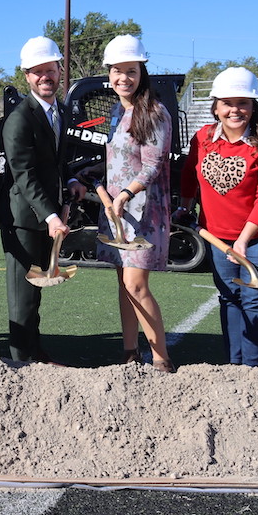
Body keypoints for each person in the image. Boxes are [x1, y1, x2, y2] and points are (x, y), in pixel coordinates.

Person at [175, 67, 258, 366]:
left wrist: (243, 240)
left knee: (254, 299)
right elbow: (190, 174)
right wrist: (186, 206)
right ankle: (234, 366)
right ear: (216, 107)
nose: (235, 110)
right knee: (229, 297)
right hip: (217, 233)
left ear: (254, 106)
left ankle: (252, 369)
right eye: (227, 103)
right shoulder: (203, 138)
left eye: (243, 102)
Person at [0, 36, 86, 363]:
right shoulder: (19, 118)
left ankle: (35, 355)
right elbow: (24, 174)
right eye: (38, 72)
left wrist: (73, 181)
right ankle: (20, 365)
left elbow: (59, 162)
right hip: (24, 220)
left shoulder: (61, 111)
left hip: (49, 218)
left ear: (59, 70)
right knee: (22, 299)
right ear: (27, 76)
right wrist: (51, 216)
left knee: (35, 294)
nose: (45, 76)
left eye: (50, 69)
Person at [95, 35, 174, 373]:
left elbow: (153, 166)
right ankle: (129, 352)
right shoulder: (116, 111)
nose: (123, 78)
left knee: (136, 285)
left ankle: (161, 359)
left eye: (130, 70)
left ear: (142, 72)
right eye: (116, 71)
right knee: (123, 284)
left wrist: (126, 194)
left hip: (143, 212)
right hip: (115, 212)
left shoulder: (154, 112)